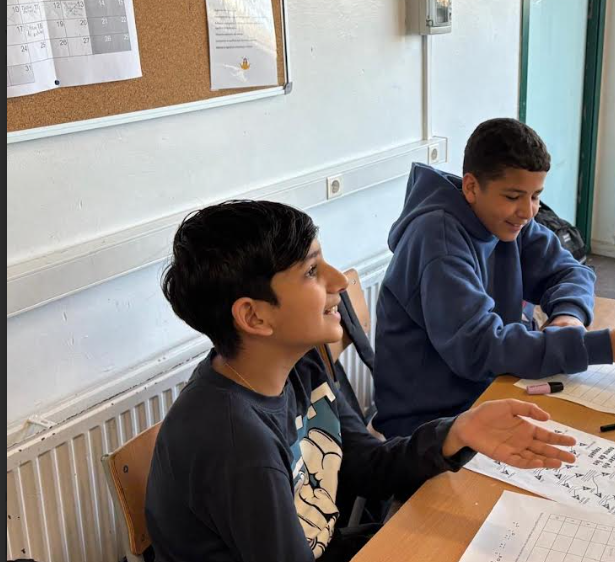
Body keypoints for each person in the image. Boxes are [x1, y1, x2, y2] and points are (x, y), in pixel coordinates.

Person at [146, 200, 579, 562]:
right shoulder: (235, 442)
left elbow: (368, 467)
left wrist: (459, 431)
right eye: (311, 271)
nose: (338, 280)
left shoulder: (299, 365)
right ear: (254, 317)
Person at [374, 118, 615, 437]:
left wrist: (568, 315)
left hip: (495, 388)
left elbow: (571, 271)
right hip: (430, 424)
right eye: (513, 197)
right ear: (471, 187)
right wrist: (601, 347)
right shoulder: (437, 242)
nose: (528, 211)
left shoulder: (506, 221)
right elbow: (479, 349)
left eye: (535, 196)